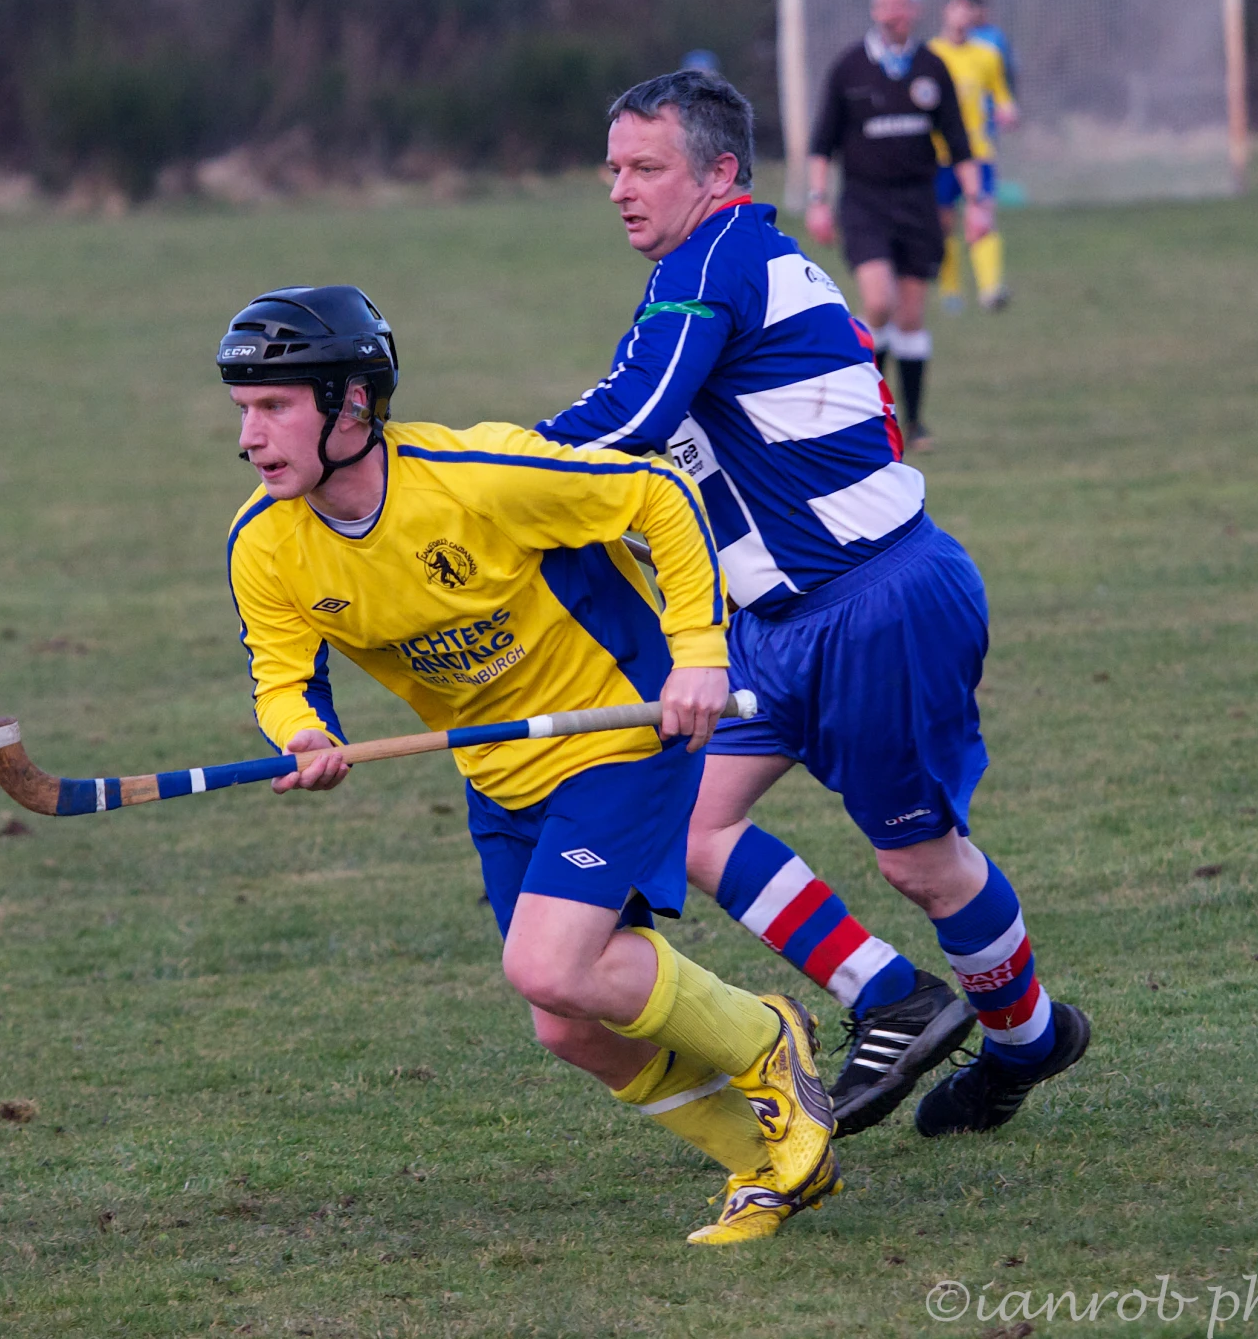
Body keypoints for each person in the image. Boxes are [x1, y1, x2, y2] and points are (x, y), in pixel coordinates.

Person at [217, 283, 839, 1245]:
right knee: (565, 1018)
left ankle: (769, 1043)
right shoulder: (264, 543)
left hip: (622, 728)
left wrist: (699, 653)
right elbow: (282, 674)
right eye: (243, 410)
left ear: (352, 402)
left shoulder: (477, 475)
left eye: (274, 406)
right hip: (503, 775)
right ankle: (769, 1163)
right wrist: (300, 732)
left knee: (550, 958)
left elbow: (661, 497)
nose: (252, 435)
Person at [540, 69, 1090, 1139]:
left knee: (917, 862)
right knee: (695, 824)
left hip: (874, 605)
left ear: (721, 174)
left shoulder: (720, 259)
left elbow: (628, 421)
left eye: (645, 166)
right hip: (778, 625)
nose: (618, 188)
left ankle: (1027, 1041)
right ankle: (894, 998)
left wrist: (462, 474)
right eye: (611, 167)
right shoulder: (700, 268)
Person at [804, 0, 988, 450]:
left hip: (918, 202)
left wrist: (977, 204)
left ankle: (915, 422)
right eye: (884, 6)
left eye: (901, 5)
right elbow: (821, 144)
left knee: (910, 315)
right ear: (873, 10)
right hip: (864, 202)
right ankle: (869, 412)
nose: (893, 14)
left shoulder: (932, 67)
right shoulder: (849, 67)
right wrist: (817, 201)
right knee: (878, 302)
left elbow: (959, 141)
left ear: (917, 10)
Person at [928, 0, 1019, 311]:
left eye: (969, 11)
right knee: (943, 224)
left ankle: (991, 289)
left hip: (978, 152)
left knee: (982, 216)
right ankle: (951, 292)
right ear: (945, 12)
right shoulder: (929, 56)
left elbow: (1001, 94)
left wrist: (1008, 110)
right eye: (958, 10)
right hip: (937, 155)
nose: (963, 17)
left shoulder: (987, 55)